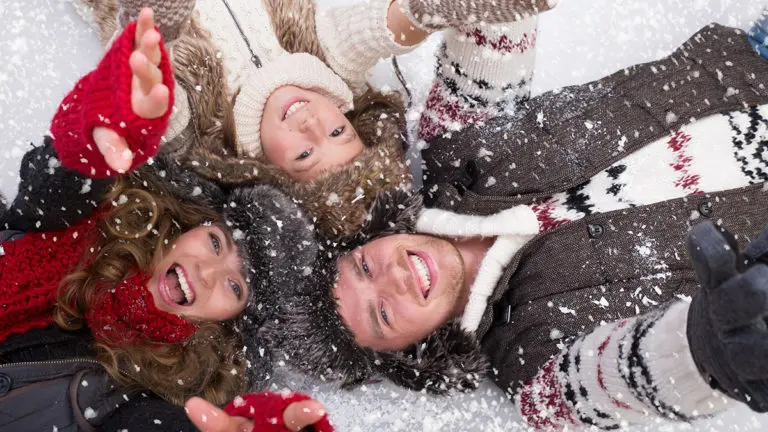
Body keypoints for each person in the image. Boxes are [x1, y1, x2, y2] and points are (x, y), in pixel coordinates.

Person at [266, 19, 768, 429]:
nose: (393, 279)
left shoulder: (452, 149)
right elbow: (624, 374)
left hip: (750, 63)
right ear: (409, 352)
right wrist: (704, 349)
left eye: (364, 267)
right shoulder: (532, 368)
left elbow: (491, 30)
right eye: (383, 315)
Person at [0, 9, 332, 431]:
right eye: (216, 243)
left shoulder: (148, 397)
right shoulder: (97, 224)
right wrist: (97, 143)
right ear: (188, 227)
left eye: (235, 286)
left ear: (226, 327)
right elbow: (49, 196)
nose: (208, 272)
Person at [73, 0, 555, 240]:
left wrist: (151, 33)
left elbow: (147, 90)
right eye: (337, 132)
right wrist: (429, 11)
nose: (310, 124)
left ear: (271, 174)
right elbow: (365, 30)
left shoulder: (199, 128)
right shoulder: (327, 69)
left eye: (305, 154)